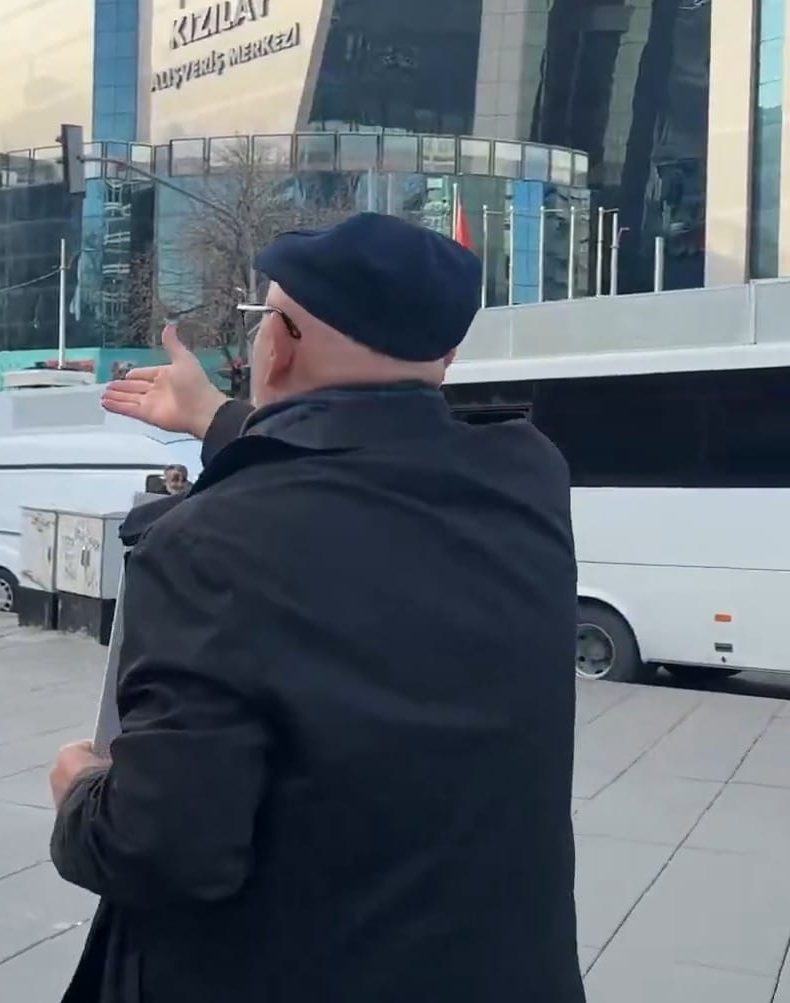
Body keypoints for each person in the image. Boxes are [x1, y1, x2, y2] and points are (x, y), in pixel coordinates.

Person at [48, 213, 583, 1003]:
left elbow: (163, 848)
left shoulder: (204, 543)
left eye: (262, 318)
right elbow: (364, 469)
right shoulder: (528, 481)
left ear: (279, 345)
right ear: (445, 357)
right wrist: (219, 417)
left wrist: (81, 793)